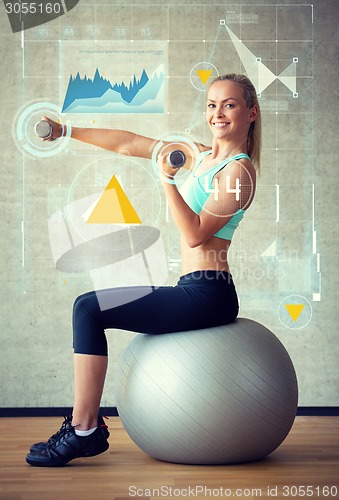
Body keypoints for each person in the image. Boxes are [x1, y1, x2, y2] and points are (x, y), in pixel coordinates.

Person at [26, 73, 261, 467]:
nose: (217, 113)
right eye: (211, 104)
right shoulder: (202, 156)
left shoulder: (239, 173)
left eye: (229, 104)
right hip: (192, 285)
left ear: (250, 113)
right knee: (88, 306)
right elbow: (131, 143)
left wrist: (166, 180)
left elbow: (194, 235)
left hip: (209, 294)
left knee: (88, 308)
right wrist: (67, 130)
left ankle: (84, 429)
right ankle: (85, 427)